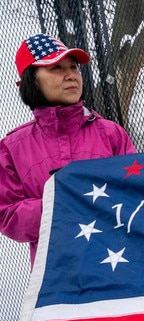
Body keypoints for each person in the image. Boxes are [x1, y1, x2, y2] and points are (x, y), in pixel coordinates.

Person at [0, 34, 137, 268]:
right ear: (30, 81)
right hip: (57, 276)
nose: (71, 75)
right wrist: (63, 203)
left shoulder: (111, 133)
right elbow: (8, 216)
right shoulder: (12, 148)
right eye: (56, 68)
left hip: (119, 265)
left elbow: (137, 192)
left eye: (73, 66)